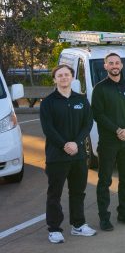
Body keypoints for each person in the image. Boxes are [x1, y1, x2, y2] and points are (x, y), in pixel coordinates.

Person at [40, 65, 97, 243]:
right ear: (55, 79)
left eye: (67, 75)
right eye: (60, 75)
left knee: (78, 192)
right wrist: (64, 144)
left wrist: (76, 142)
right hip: (57, 156)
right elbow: (48, 129)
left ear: (72, 78)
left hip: (79, 155)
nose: (64, 78)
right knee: (54, 194)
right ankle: (54, 229)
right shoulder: (48, 102)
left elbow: (87, 124)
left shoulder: (81, 100)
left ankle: (78, 225)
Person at [90, 52, 125, 230]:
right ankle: (104, 218)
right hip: (109, 142)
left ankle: (124, 213)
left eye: (117, 63)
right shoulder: (100, 88)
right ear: (105, 66)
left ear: (122, 65)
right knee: (105, 180)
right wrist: (117, 130)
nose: (114, 65)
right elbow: (98, 114)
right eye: (110, 63)